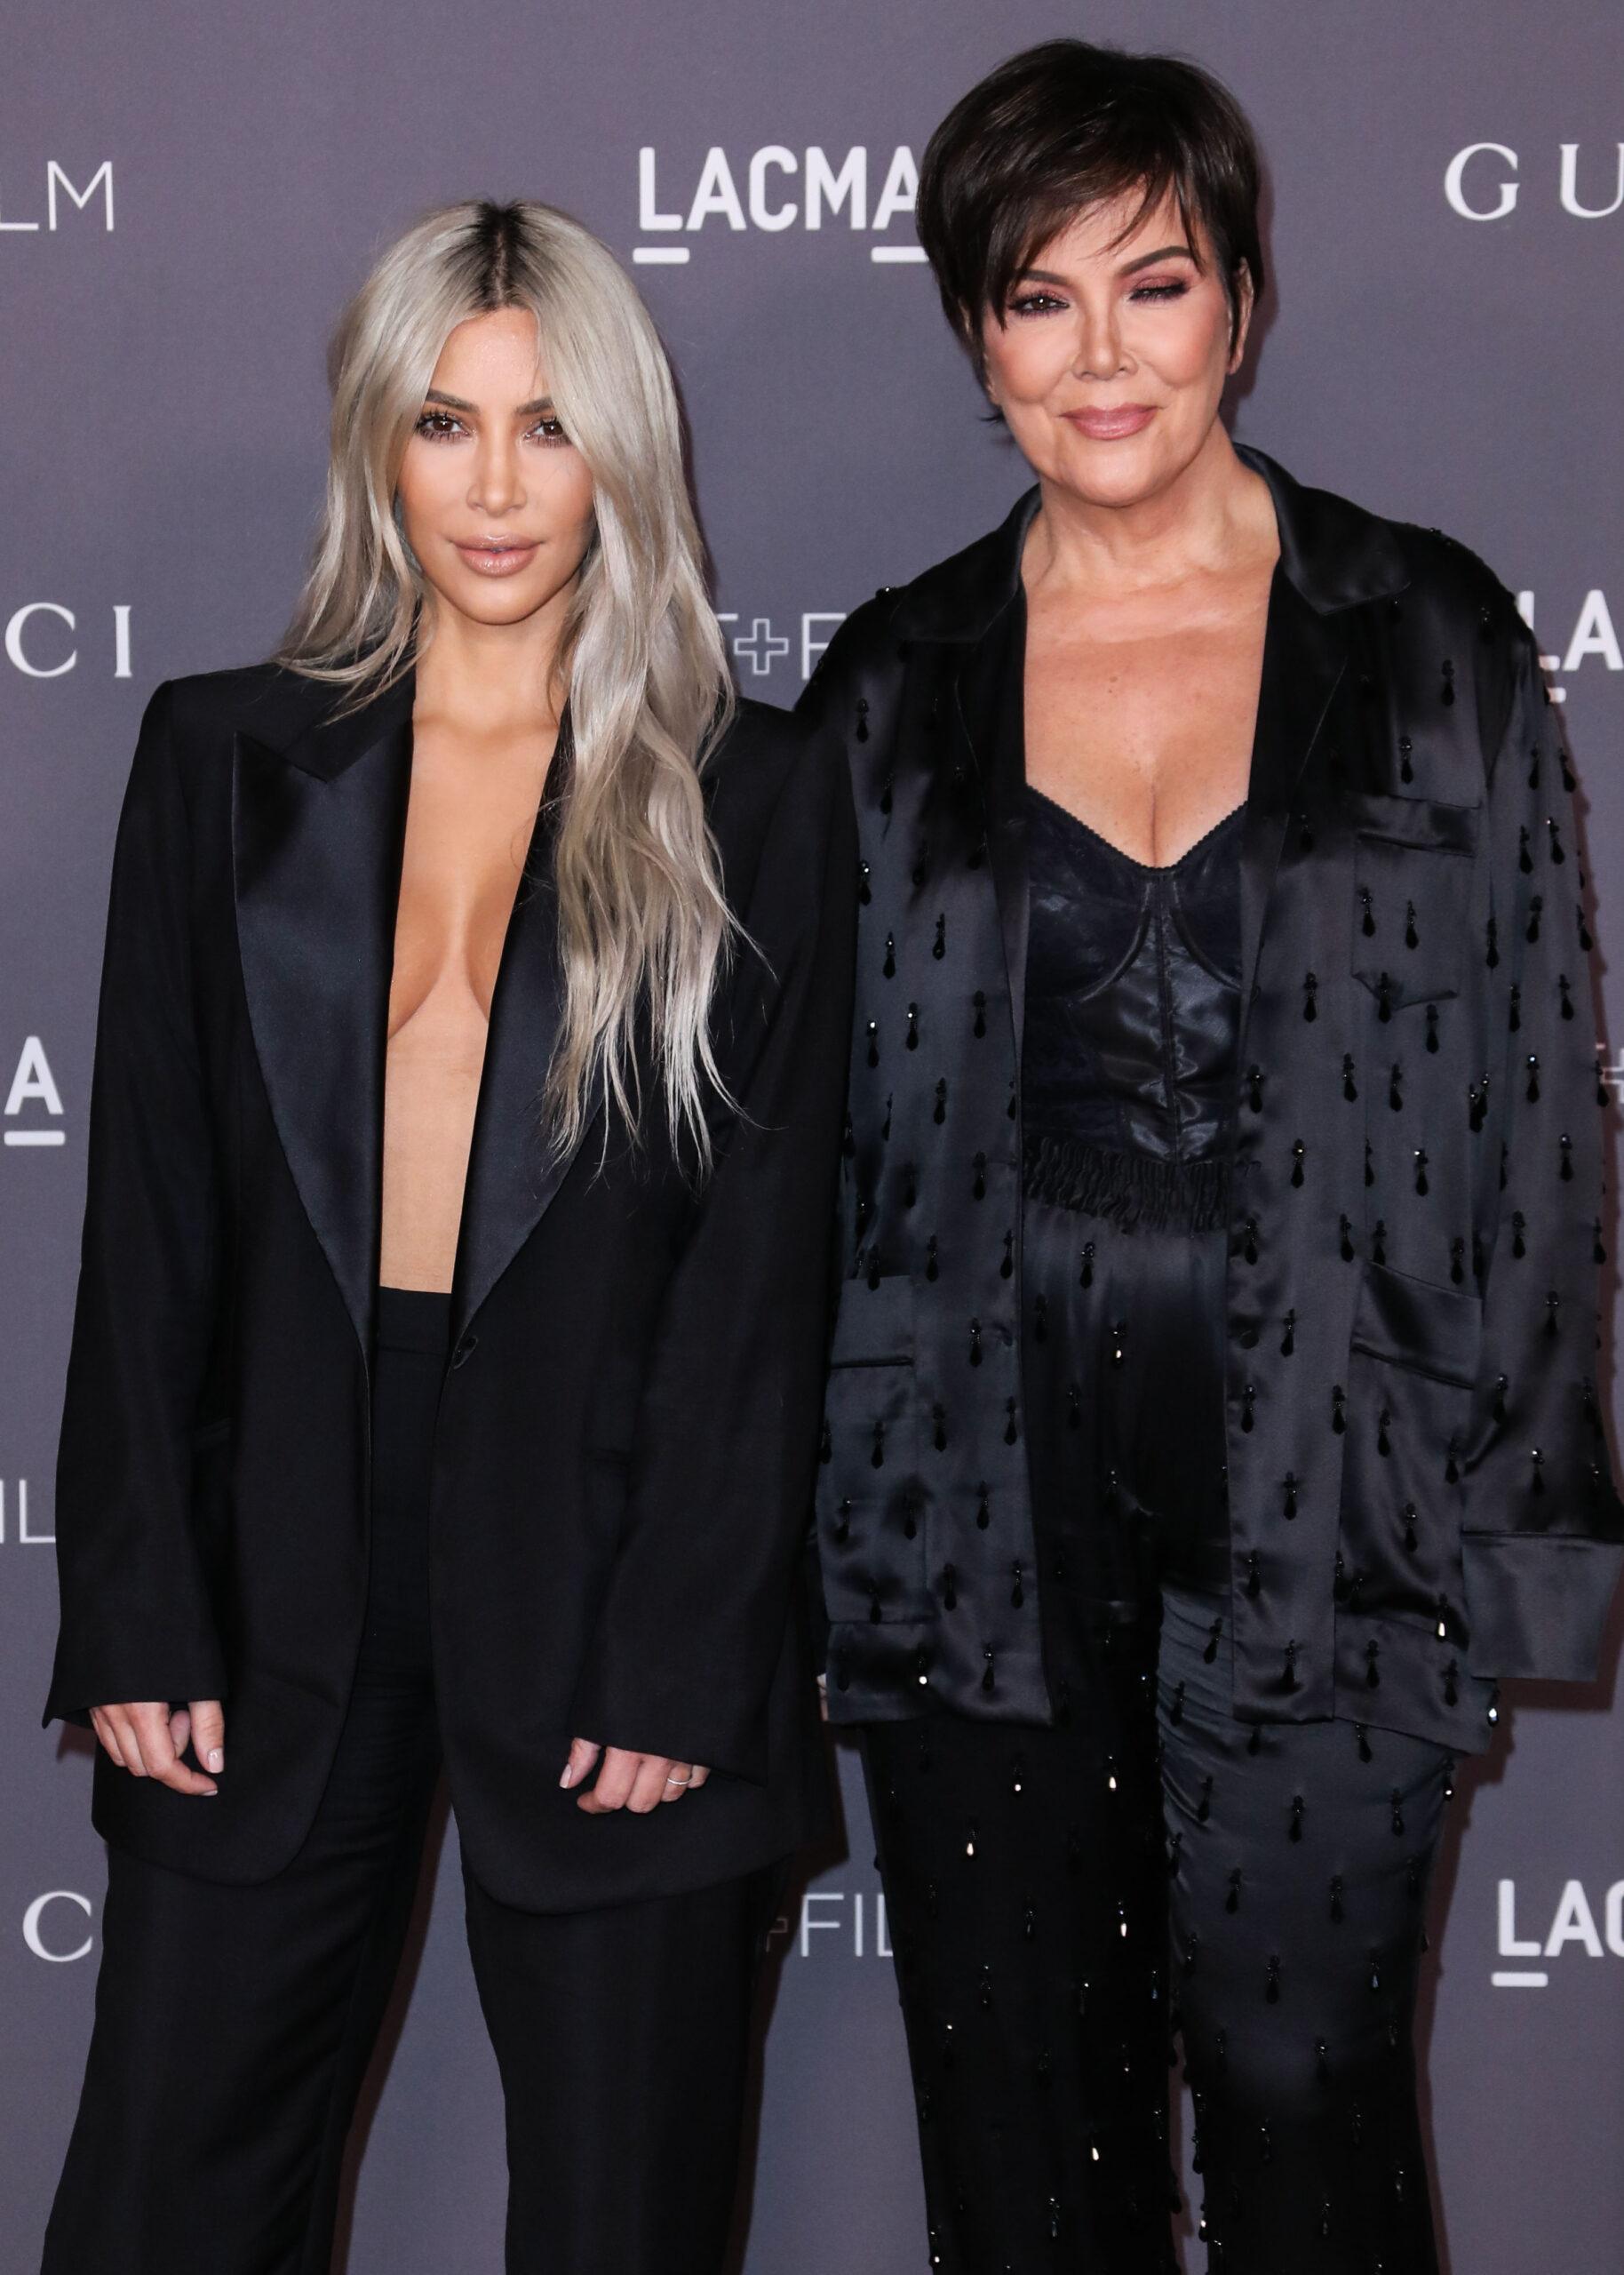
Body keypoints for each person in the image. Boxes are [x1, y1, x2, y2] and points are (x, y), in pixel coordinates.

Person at [801, 40, 1621, 2274]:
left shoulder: (1422, 634)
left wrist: (1526, 1534)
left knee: (1307, 2130)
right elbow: (804, 1159)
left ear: (1235, 304)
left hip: (1336, 1500)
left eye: (1147, 284)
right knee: (1022, 2160)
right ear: (976, 330)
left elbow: (1536, 1110)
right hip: (968, 1511)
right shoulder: (891, 686)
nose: (1097, 355)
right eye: (1034, 296)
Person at [42, 197, 855, 2275]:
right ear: (372, 447)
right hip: (267, 1568)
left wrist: (686, 1644)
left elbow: (756, 1276)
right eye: (441, 422)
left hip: (612, 1581)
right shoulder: (221, 763)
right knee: (161, 2207)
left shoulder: (748, 795)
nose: (494, 487)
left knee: (617, 2220)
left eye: (547, 426)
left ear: (624, 456)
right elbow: (144, 1214)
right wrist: (137, 1602)